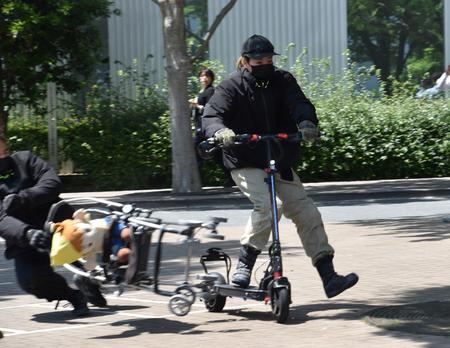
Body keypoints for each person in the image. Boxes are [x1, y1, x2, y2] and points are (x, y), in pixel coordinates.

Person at [201, 35, 358, 298]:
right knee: (269, 205)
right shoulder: (231, 86)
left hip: (278, 157)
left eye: (269, 60)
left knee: (306, 211)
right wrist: (220, 131)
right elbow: (212, 114)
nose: (265, 64)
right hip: (246, 159)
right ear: (246, 61)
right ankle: (244, 265)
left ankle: (329, 277)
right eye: (259, 61)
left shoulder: (283, 80)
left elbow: (299, 103)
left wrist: (306, 122)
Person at [0, 136, 89, 316]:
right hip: (26, 239)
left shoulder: (26, 160)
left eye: (6, 152)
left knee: (90, 260)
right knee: (30, 280)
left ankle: (91, 284)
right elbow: (1, 219)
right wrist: (27, 234)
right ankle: (73, 296)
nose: (3, 158)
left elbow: (52, 183)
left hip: (60, 224)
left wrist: (24, 197)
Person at [189, 67, 234, 187]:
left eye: (207, 76)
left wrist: (196, 105)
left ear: (211, 78)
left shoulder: (209, 92)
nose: (204, 78)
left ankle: (192, 182)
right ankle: (232, 179)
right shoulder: (202, 91)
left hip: (205, 131)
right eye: (202, 76)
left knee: (197, 154)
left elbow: (211, 109)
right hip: (203, 131)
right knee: (218, 157)